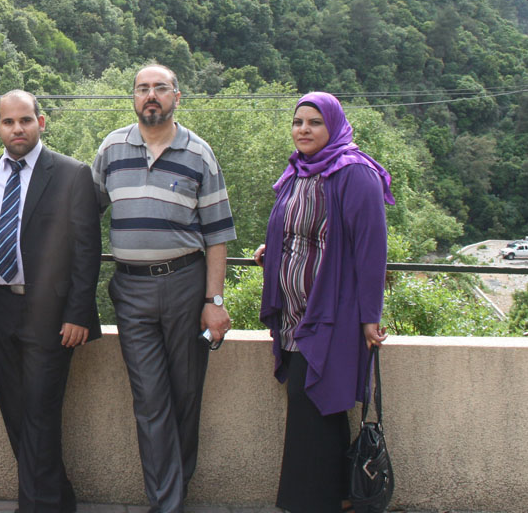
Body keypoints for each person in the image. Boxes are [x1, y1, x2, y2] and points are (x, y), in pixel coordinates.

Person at [91, 64, 235, 513]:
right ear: (133, 97)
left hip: (185, 287)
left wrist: (214, 301)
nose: (150, 95)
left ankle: (174, 491)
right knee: (150, 400)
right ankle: (166, 503)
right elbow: (84, 211)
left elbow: (217, 235)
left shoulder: (199, 154)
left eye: (160, 88)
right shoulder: (112, 148)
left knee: (186, 396)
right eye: (142, 89)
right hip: (130, 290)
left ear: (177, 96)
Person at [253, 92, 392, 513]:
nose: (304, 130)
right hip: (295, 314)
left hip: (332, 313)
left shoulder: (354, 173)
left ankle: (309, 502)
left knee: (314, 399)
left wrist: (370, 318)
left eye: (314, 122)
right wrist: (272, 251)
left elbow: (371, 250)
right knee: (316, 405)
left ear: (334, 126)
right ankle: (336, 497)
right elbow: (297, 230)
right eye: (298, 122)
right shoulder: (298, 172)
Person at [0, 91, 101, 513]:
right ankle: (59, 500)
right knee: (16, 415)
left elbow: (87, 250)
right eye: (9, 122)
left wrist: (78, 313)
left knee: (40, 416)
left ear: (40, 122)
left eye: (25, 120)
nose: (18, 129)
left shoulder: (71, 174)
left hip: (50, 313)